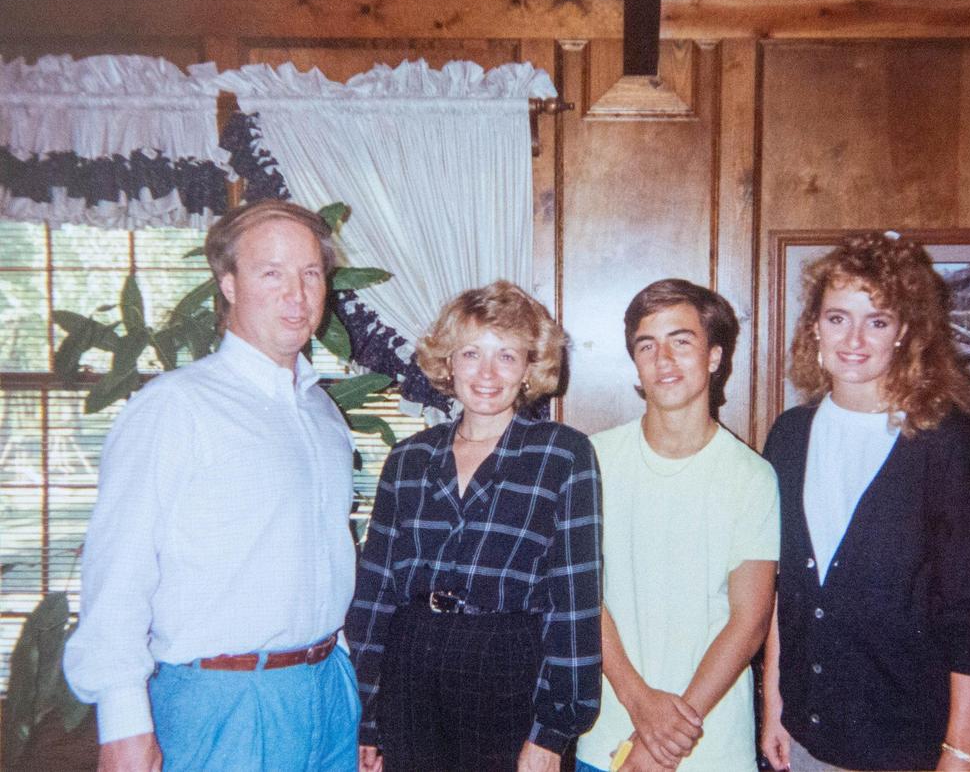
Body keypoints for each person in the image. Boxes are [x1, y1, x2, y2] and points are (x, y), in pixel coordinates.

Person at [63, 199, 360, 771]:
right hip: (222, 703)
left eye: (311, 273)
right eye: (271, 273)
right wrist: (124, 724)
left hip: (329, 691)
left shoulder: (323, 413)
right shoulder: (175, 407)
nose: (296, 295)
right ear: (228, 284)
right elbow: (118, 569)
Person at [760, 233, 970, 771]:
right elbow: (784, 587)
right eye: (837, 318)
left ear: (904, 332)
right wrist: (774, 707)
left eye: (876, 320)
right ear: (814, 327)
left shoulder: (953, 444)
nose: (854, 338)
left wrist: (962, 751)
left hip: (912, 749)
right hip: (806, 737)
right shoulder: (789, 436)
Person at [347, 280, 602, 772]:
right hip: (412, 666)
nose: (487, 373)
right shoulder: (408, 459)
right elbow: (376, 593)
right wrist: (370, 718)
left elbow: (573, 601)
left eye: (506, 356)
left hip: (509, 668)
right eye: (471, 353)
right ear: (448, 363)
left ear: (530, 367)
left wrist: (552, 732)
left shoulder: (562, 454)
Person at [575, 279, 780, 772]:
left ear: (714, 356)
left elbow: (748, 622)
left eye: (681, 341)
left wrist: (665, 740)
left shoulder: (752, 477)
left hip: (713, 749)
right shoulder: (590, 462)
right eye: (648, 345)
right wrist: (640, 702)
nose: (663, 359)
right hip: (606, 739)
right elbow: (582, 596)